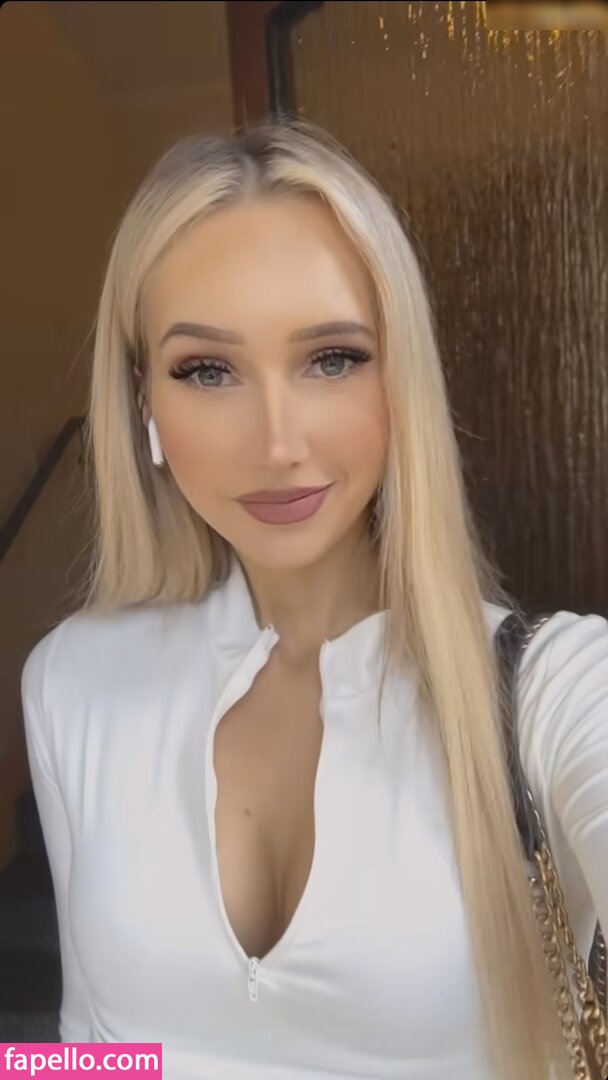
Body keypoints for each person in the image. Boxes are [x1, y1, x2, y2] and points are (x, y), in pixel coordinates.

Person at [20, 118, 608, 1080]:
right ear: (144, 402)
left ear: (401, 376)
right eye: (208, 370)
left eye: (332, 357)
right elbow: (91, 1049)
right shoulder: (73, 680)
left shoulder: (553, 689)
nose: (278, 442)